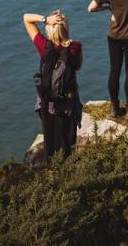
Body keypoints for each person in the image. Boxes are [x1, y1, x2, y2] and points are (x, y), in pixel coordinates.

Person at [22, 10, 83, 161]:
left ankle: (54, 171)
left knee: (52, 145)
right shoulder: (75, 47)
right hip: (68, 105)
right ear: (66, 27)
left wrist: (45, 19)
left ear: (49, 28)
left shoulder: (43, 46)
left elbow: (26, 18)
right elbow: (77, 66)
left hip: (47, 104)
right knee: (69, 145)